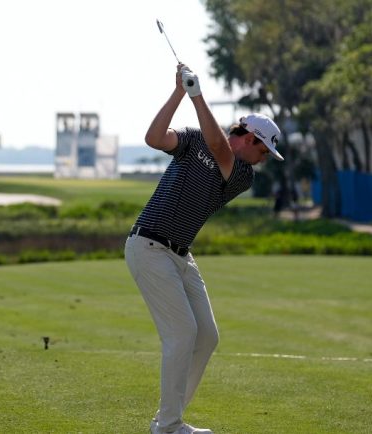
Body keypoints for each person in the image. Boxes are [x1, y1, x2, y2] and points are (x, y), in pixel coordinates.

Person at [125, 64, 283, 434]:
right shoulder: (193, 139)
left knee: (206, 336)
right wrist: (180, 92)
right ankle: (169, 425)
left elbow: (217, 146)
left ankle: (167, 419)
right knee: (182, 335)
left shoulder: (242, 175)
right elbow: (153, 138)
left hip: (180, 255)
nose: (263, 159)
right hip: (148, 246)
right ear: (249, 138)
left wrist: (197, 95)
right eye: (264, 151)